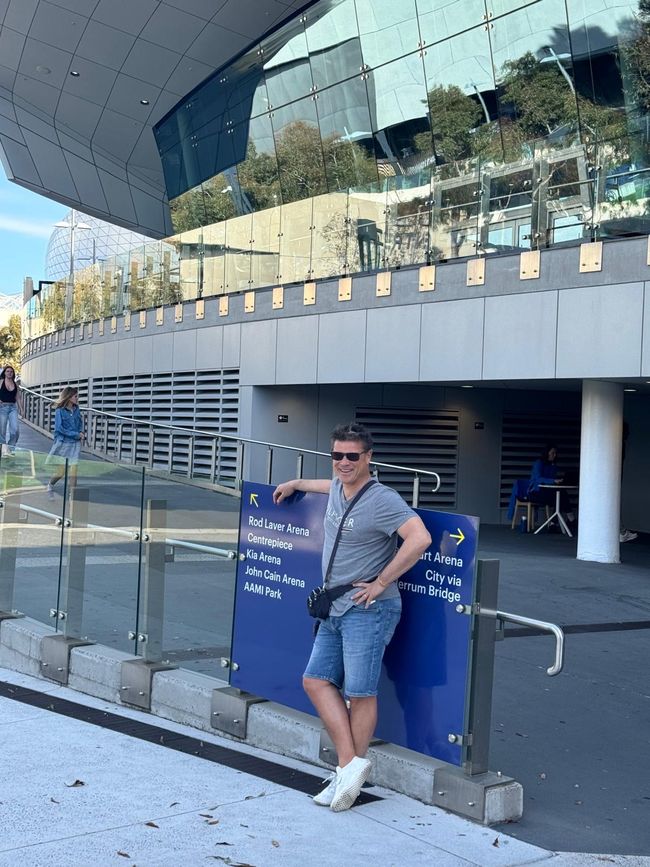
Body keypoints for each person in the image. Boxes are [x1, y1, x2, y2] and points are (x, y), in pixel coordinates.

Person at [272, 422, 431, 812]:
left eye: (352, 456)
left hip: (369, 609)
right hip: (334, 607)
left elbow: (420, 538)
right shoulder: (339, 488)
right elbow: (325, 485)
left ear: (368, 458)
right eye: (337, 455)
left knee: (359, 693)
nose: (343, 463)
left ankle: (347, 778)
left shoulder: (382, 499)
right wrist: (295, 483)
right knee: (315, 680)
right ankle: (349, 768)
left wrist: (380, 582)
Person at [45, 387, 84, 499]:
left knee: (74, 469)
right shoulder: (60, 411)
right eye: (75, 396)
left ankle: (73, 495)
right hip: (64, 443)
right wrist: (75, 434)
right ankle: (50, 485)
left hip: (75, 443)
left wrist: (81, 432)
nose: (77, 398)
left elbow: (80, 422)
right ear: (69, 397)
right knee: (62, 470)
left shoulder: (77, 409)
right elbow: (59, 428)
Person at [527, 443, 575, 525]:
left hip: (547, 492)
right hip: (535, 493)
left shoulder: (553, 465)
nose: (554, 455)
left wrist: (558, 481)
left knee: (559, 495)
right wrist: (553, 481)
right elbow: (538, 479)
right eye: (552, 453)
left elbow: (552, 480)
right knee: (560, 496)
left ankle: (554, 524)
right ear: (547, 453)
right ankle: (570, 518)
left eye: (555, 453)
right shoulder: (539, 463)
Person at [0, 365, 23, 455]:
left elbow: (18, 397)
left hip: (13, 408)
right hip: (2, 408)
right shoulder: (1, 382)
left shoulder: (15, 384)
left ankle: (10, 448)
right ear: (4, 373)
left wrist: (22, 409)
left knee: (15, 430)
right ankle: (3, 450)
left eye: (11, 371)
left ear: (13, 373)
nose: (9, 373)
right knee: (2, 431)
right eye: (7, 371)